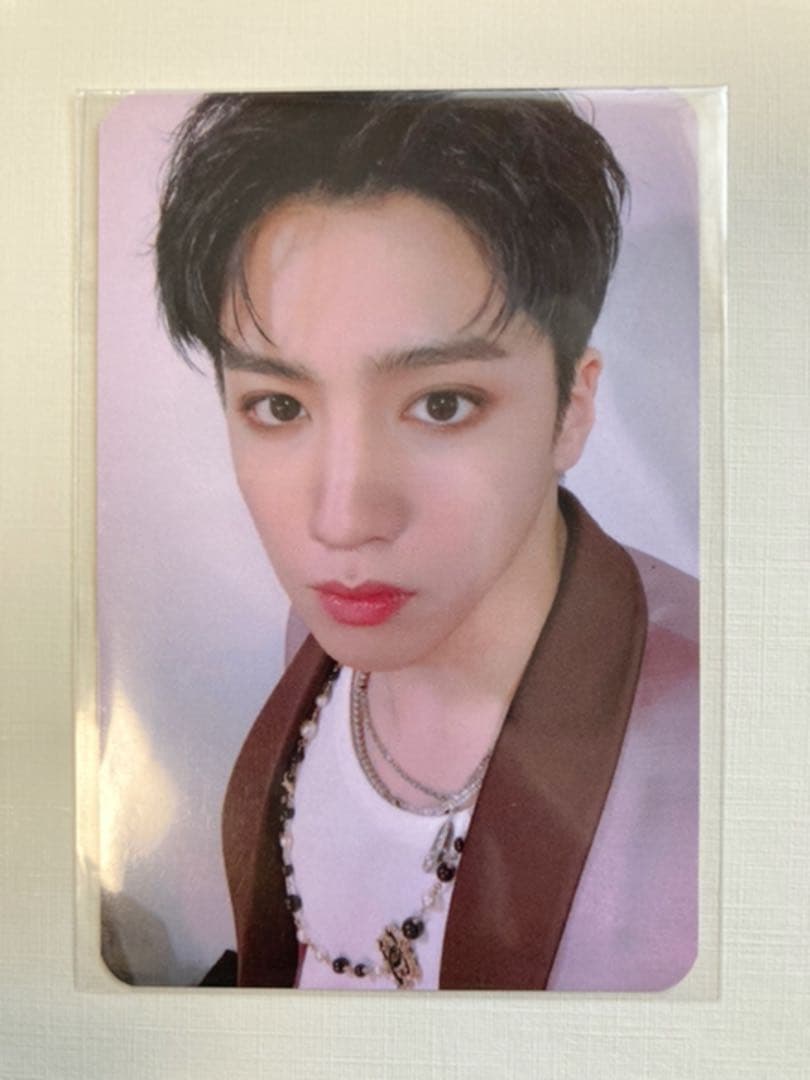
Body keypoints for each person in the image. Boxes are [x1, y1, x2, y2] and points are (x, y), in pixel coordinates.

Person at [154, 91, 698, 991]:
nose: (341, 521)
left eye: (442, 404)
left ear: (571, 408)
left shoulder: (713, 770)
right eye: (279, 406)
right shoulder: (326, 638)